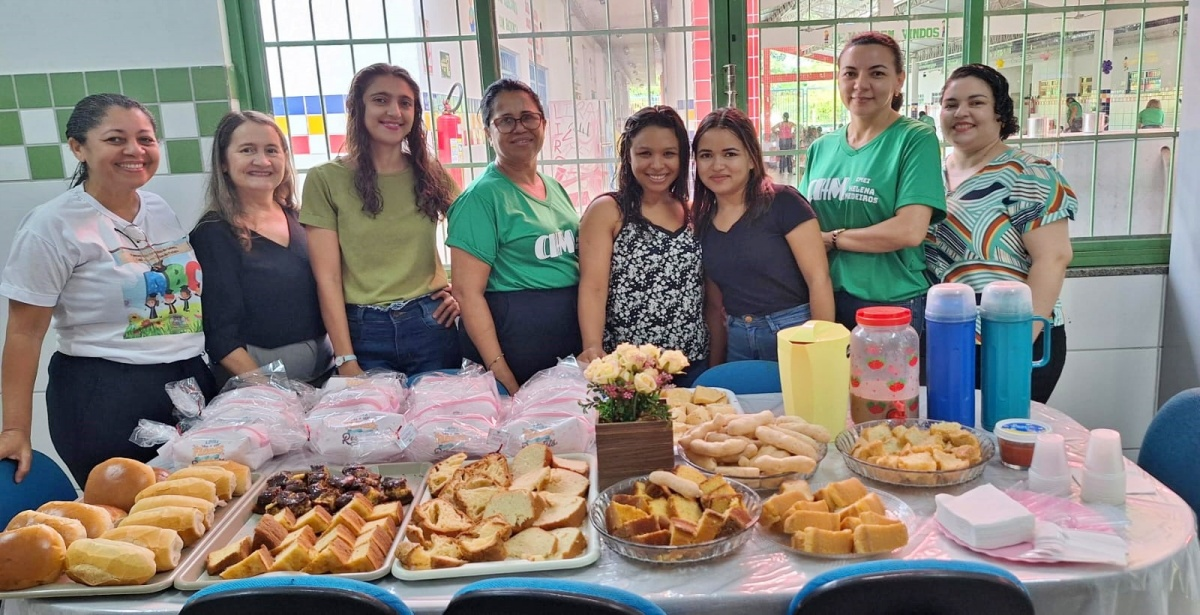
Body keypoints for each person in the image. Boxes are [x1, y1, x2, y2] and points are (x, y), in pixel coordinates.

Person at [0, 94, 215, 485]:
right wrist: (15, 429)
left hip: (190, 385)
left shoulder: (158, 207)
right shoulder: (51, 225)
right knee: (132, 526)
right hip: (105, 397)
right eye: (116, 139)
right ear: (78, 148)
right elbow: (23, 333)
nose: (135, 150)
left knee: (203, 509)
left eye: (146, 139)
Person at [926, 64, 1076, 403]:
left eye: (976, 103)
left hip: (1014, 328)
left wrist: (1016, 344)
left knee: (1004, 439)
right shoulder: (930, 176)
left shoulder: (1028, 174)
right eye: (950, 104)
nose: (961, 112)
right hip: (949, 332)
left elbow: (1053, 259)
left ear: (999, 114)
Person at [301, 64, 460, 378]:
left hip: (431, 323)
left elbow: (476, 235)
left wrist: (464, 294)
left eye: (405, 102)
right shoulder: (325, 180)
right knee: (372, 428)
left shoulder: (431, 174)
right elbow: (328, 280)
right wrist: (346, 358)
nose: (394, 111)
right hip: (363, 332)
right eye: (380, 100)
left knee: (440, 425)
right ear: (357, 108)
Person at [801, 31, 947, 336]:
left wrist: (832, 239)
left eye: (877, 73)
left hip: (890, 305)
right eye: (850, 73)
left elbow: (909, 230)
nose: (861, 84)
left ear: (899, 81)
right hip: (823, 300)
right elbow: (802, 227)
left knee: (882, 386)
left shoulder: (915, 138)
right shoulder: (821, 148)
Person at [448, 79, 581, 394]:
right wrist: (503, 376)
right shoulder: (481, 198)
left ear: (543, 123)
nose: (519, 127)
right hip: (515, 353)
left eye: (528, 117)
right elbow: (468, 294)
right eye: (505, 121)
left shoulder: (555, 187)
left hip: (564, 352)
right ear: (487, 132)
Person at [191, 111, 331, 386]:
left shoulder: (303, 219)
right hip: (257, 387)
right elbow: (220, 334)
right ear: (223, 163)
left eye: (271, 150)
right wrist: (267, 392)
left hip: (325, 375)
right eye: (247, 150)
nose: (262, 161)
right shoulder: (214, 234)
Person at [577, 106, 711, 386]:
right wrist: (592, 346)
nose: (657, 164)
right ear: (628, 155)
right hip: (630, 369)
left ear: (683, 158)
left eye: (669, 154)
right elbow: (593, 286)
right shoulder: (608, 210)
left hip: (692, 362)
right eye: (645, 153)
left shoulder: (691, 212)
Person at [692, 107, 834, 362]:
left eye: (730, 154)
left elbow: (819, 280)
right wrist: (714, 370)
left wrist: (821, 352)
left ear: (751, 159)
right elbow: (714, 307)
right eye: (706, 155)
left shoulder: (783, 202)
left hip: (793, 334)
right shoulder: (702, 220)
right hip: (737, 339)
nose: (717, 165)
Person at [772, 112, 798, 176]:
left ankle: (782, 169)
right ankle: (789, 170)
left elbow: (772, 128)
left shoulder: (780, 124)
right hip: (788, 139)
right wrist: (793, 134)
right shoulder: (790, 124)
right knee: (789, 155)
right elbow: (797, 127)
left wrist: (777, 133)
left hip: (782, 139)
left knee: (782, 155)